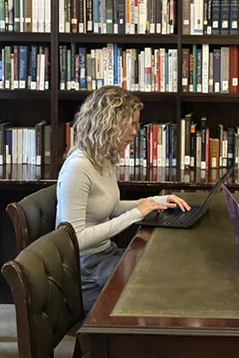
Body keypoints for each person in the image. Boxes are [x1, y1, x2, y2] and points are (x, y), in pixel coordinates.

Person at [56, 86, 190, 312]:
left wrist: (156, 202)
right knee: (159, 286)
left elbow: (112, 206)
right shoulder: (78, 167)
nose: (136, 131)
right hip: (82, 271)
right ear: (110, 124)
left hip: (104, 255)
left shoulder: (103, 157)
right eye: (132, 124)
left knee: (165, 267)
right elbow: (74, 239)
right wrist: (136, 214)